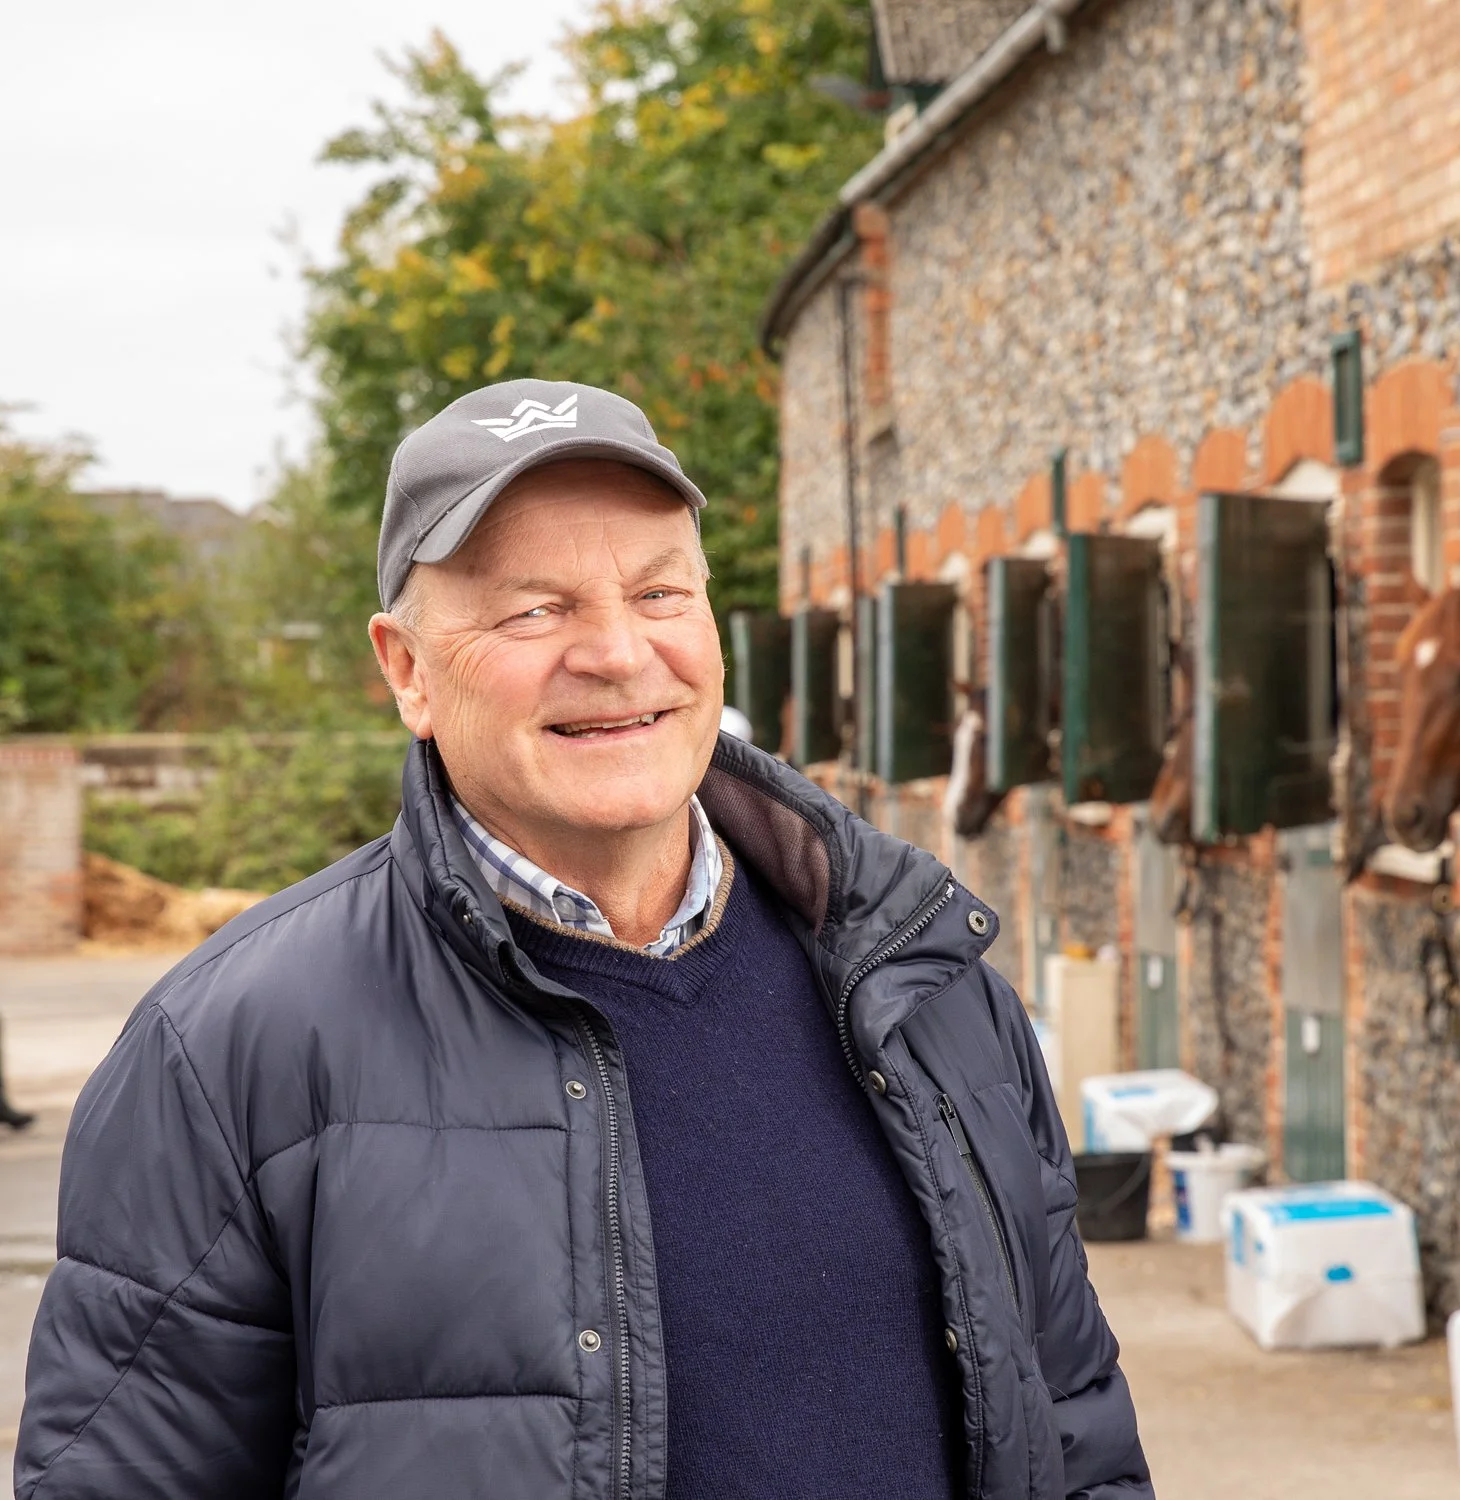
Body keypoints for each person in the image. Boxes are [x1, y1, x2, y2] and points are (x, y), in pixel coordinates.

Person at [17, 379, 1151, 1500]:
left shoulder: (924, 988)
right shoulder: (226, 1049)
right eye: (534, 609)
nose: (616, 653)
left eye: (660, 593)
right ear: (406, 669)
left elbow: (1074, 1433)